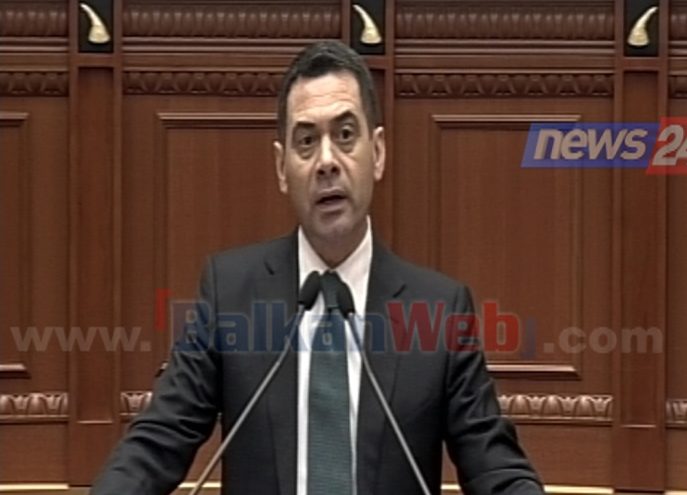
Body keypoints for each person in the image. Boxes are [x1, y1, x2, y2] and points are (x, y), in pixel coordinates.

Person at [92, 40, 543, 495]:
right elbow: (159, 438)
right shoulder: (231, 294)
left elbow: (495, 467)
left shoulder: (440, 309)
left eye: (345, 135)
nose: (327, 162)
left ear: (378, 152)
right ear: (281, 167)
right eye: (306, 141)